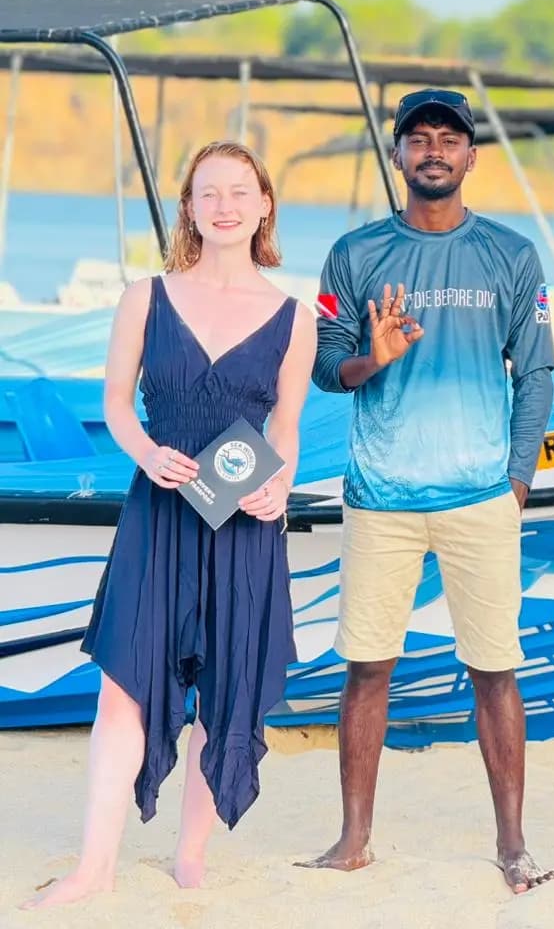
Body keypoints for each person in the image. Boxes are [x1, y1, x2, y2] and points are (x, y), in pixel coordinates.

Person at [23, 141, 316, 910]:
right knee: (123, 687)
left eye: (239, 191)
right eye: (207, 192)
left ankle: (191, 857)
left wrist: (279, 488)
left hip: (244, 521)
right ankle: (95, 867)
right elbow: (117, 404)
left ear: (264, 206)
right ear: (189, 207)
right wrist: (148, 453)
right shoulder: (145, 296)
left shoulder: (293, 316)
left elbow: (286, 429)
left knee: (223, 692)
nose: (223, 204)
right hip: (159, 512)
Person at [299, 89, 554, 894]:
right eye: (420, 139)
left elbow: (537, 371)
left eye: (450, 139)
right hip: (381, 496)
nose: (434, 150)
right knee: (368, 669)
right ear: (399, 156)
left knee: (494, 670)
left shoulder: (511, 255)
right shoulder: (355, 252)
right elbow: (323, 368)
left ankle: (513, 844)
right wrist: (372, 358)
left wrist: (518, 479)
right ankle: (353, 838)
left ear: (471, 157)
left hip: (481, 495)